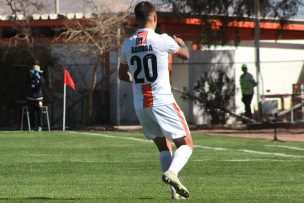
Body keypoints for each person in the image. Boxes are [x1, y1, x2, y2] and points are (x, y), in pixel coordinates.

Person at [118, 1, 193, 200]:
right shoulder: (162, 40)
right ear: (155, 18)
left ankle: (174, 192)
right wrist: (183, 44)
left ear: (136, 20)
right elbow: (185, 55)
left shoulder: (127, 44)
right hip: (162, 101)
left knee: (163, 146)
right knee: (186, 144)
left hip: (141, 104)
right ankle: (172, 173)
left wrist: (136, 78)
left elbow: (122, 75)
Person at [27, 65, 44, 131]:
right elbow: (27, 82)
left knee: (39, 112)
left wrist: (38, 76)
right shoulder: (30, 77)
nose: (35, 72)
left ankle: (40, 126)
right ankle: (32, 126)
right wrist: (32, 76)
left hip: (39, 99)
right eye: (34, 71)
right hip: (31, 99)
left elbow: (42, 83)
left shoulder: (41, 77)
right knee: (31, 112)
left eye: (36, 71)